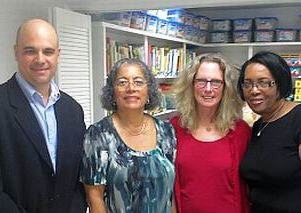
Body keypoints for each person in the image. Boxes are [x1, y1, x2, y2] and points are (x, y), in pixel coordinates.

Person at [0, 19, 86, 213]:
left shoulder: (73, 110)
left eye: (48, 51)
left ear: (58, 55)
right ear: (16, 52)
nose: (40, 59)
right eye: (30, 51)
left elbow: (79, 179)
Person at [80, 58, 177, 213]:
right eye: (122, 82)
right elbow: (94, 198)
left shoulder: (166, 131)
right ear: (112, 92)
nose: (131, 88)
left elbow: (170, 194)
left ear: (149, 91)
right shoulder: (98, 135)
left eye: (138, 82)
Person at [170, 53, 251, 213]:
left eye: (216, 82)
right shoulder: (173, 128)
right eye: (201, 81)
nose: (208, 89)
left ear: (226, 86)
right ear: (190, 85)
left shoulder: (241, 131)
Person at [238, 51, 301, 212]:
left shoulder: (297, 119)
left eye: (264, 83)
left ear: (280, 83)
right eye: (247, 84)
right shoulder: (259, 126)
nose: (254, 90)